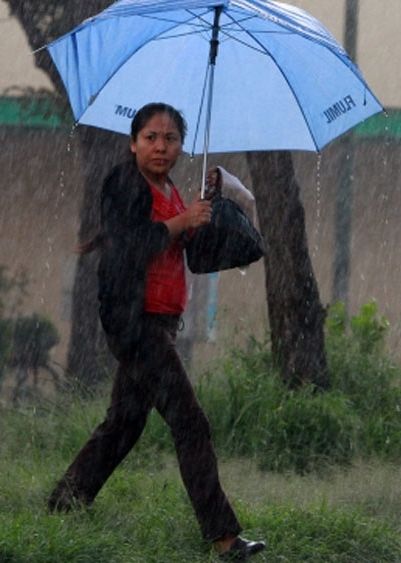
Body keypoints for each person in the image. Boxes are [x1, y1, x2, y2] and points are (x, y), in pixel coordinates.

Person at [46, 103, 266, 561]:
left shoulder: (172, 191)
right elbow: (128, 246)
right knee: (191, 422)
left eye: (170, 138)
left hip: (162, 322)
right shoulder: (124, 182)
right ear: (133, 142)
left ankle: (62, 507)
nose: (160, 146)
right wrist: (180, 223)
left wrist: (209, 206)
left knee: (123, 425)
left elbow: (193, 255)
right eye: (150, 137)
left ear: (181, 145)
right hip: (136, 323)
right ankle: (225, 539)